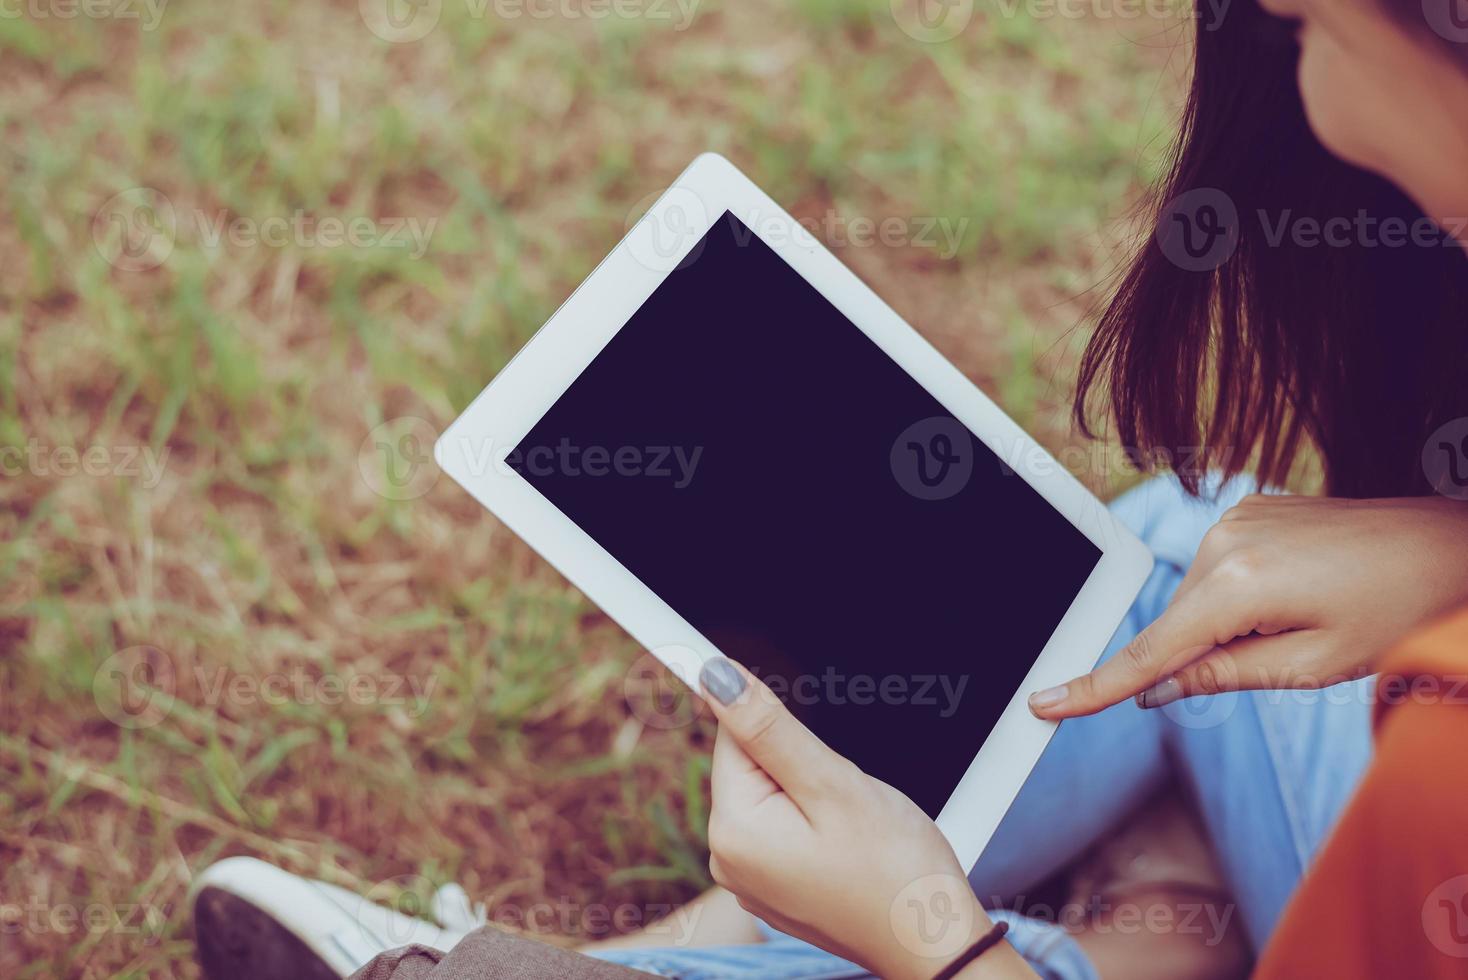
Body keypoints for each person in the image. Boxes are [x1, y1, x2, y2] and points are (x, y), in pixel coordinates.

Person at [190, 0, 1468, 976]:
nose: (1296, 77)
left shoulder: (1438, 777)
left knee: (1175, 602)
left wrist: (939, 944)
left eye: (1310, 26)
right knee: (1192, 565)